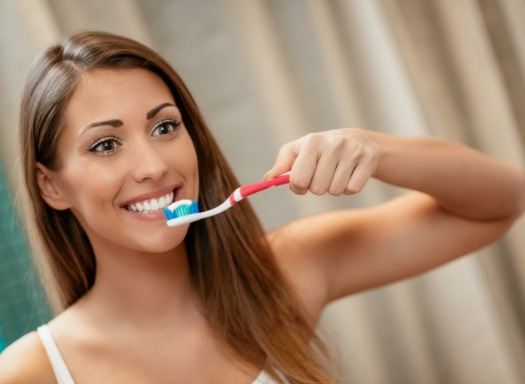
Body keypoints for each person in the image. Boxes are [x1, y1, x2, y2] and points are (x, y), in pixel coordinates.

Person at [0, 30, 523, 384]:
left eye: (165, 127)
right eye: (106, 145)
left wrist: (375, 149)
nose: (154, 166)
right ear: (52, 187)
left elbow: (501, 201)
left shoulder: (284, 273)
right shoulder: (33, 371)